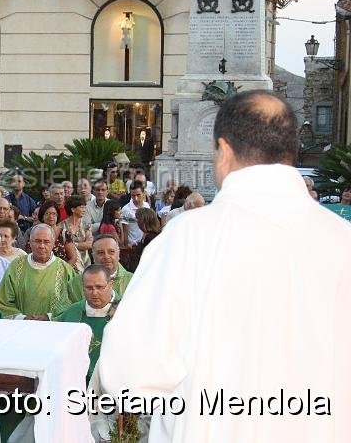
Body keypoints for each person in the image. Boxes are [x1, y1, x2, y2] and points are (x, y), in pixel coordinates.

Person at [99, 90, 351, 442]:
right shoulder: (343, 241)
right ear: (290, 152)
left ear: (224, 151)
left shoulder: (185, 239)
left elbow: (127, 372)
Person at [0, 224, 76, 320]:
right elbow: (2, 302)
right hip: (21, 328)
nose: (41, 246)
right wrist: (22, 318)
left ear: (53, 244)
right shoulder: (16, 266)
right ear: (30, 242)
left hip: (54, 329)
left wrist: (49, 317)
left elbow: (74, 302)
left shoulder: (65, 269)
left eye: (46, 242)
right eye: (37, 241)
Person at [55, 264, 119, 383]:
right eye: (89, 288)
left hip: (114, 384)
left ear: (111, 285)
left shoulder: (125, 312)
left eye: (99, 287)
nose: (94, 293)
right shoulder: (72, 313)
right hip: (78, 384)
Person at [67, 234, 132, 303]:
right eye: (101, 253)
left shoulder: (133, 280)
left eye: (111, 252)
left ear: (118, 254)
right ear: (93, 256)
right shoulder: (76, 283)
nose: (106, 256)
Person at [33, 200, 78, 267]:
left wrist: (62, 273)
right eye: (47, 213)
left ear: (57, 216)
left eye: (54, 214)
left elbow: (73, 258)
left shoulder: (64, 233)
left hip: (62, 270)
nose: (51, 216)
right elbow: (29, 254)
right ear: (42, 216)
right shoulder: (35, 232)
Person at [60, 195, 94, 272]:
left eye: (84, 207)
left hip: (85, 263)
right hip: (69, 263)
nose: (84, 210)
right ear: (73, 209)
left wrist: (72, 245)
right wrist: (82, 244)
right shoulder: (61, 226)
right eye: (82, 207)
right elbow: (62, 246)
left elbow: (89, 244)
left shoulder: (86, 224)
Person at [122, 207, 160, 273]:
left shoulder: (151, 237)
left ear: (143, 221)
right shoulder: (148, 235)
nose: (137, 222)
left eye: (138, 219)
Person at [120, 180, 150, 247]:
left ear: (143, 193)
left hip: (145, 244)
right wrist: (126, 246)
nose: (136, 198)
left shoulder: (147, 206)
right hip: (131, 245)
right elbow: (125, 231)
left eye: (138, 195)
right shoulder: (125, 209)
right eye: (133, 195)